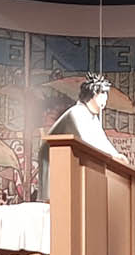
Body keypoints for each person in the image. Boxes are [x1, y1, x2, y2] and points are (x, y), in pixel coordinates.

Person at [35, 73, 123, 202]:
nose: (105, 102)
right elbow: (87, 141)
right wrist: (112, 156)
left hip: (67, 162)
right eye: (103, 96)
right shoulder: (76, 112)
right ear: (94, 94)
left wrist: (116, 155)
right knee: (55, 200)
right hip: (53, 160)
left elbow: (102, 140)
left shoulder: (92, 117)